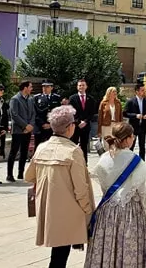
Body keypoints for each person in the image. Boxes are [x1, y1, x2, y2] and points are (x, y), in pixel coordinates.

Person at [25, 105, 95, 268]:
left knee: (58, 255)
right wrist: (88, 210)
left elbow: (28, 176)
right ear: (70, 127)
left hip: (49, 208)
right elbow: (80, 188)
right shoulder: (73, 151)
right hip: (69, 210)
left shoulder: (42, 148)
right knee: (59, 257)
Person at [86, 122, 146, 267]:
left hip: (107, 212)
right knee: (128, 249)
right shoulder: (136, 161)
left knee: (106, 248)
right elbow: (142, 192)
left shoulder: (104, 158)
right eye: (132, 136)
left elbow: (103, 187)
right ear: (127, 139)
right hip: (130, 214)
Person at [7, 81, 35, 182]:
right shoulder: (15, 99)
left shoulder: (30, 99)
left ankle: (20, 173)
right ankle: (9, 174)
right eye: (30, 87)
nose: (31, 89)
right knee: (13, 152)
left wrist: (31, 125)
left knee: (24, 152)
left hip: (28, 131)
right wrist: (25, 125)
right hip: (18, 131)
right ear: (25, 88)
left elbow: (33, 113)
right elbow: (14, 115)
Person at [124, 83, 146, 161]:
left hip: (143, 127)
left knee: (142, 147)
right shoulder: (131, 101)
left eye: (144, 90)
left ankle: (142, 163)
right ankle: (129, 163)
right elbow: (125, 113)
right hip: (133, 128)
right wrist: (135, 115)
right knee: (131, 146)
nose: (144, 92)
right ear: (137, 91)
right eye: (142, 90)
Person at [69, 79, 96, 161]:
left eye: (83, 85)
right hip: (76, 126)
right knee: (74, 144)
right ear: (77, 87)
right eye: (80, 85)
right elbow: (71, 112)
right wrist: (78, 121)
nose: (81, 87)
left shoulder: (90, 99)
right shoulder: (72, 98)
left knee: (84, 145)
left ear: (86, 86)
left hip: (86, 125)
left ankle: (84, 164)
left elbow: (92, 113)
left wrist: (85, 121)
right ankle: (73, 162)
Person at [32, 81, 60, 146]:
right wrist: (42, 124)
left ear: (51, 88)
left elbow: (58, 113)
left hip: (52, 127)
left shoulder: (56, 97)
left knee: (51, 146)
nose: (45, 88)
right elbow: (35, 112)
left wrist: (50, 124)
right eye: (43, 86)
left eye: (47, 87)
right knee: (38, 146)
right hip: (40, 127)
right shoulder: (36, 97)